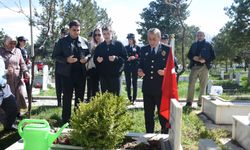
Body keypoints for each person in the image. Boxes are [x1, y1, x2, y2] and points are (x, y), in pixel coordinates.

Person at [54, 20, 90, 123]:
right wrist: (66, 60)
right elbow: (55, 56)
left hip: (81, 74)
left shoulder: (84, 41)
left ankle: (78, 118)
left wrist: (86, 59)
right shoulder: (61, 42)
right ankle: (65, 119)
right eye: (74, 30)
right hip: (67, 74)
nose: (76, 32)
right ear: (69, 29)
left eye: (78, 30)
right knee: (67, 97)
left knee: (80, 98)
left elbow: (89, 54)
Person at [138, 28, 170, 134]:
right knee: (148, 115)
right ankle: (149, 136)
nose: (151, 42)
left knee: (162, 115)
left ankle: (164, 135)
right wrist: (139, 70)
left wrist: (166, 72)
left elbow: (174, 68)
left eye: (154, 39)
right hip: (147, 89)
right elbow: (140, 64)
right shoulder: (143, 49)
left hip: (161, 89)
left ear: (159, 38)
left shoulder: (167, 49)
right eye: (149, 39)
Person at [0, 35, 30, 116]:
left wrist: (26, 71)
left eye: (14, 43)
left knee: (20, 94)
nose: (13, 45)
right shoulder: (1, 51)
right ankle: (6, 114)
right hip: (5, 79)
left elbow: (22, 63)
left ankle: (18, 111)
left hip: (17, 78)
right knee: (8, 97)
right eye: (10, 43)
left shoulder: (18, 51)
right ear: (5, 43)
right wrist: (5, 71)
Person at [94, 26, 127, 96]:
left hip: (115, 77)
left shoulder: (119, 45)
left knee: (116, 98)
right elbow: (95, 59)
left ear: (112, 33)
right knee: (105, 99)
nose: (106, 36)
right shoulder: (99, 47)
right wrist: (97, 60)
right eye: (104, 34)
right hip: (103, 78)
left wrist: (116, 58)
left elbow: (125, 59)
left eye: (108, 33)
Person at [186, 31, 215, 107]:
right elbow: (189, 55)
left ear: (204, 36)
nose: (199, 36)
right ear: (196, 36)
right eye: (198, 35)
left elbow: (213, 56)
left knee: (203, 85)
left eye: (201, 35)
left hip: (204, 67)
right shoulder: (194, 44)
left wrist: (205, 60)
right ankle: (189, 102)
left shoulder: (208, 45)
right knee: (191, 84)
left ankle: (200, 103)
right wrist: (193, 57)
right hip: (194, 66)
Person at [0, 55, 18, 131]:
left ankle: (8, 126)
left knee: (13, 107)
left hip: (3, 88)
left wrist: (7, 71)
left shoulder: (0, 57)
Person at [85, 28, 103, 102]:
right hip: (92, 68)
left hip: (102, 69)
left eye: (99, 34)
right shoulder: (91, 44)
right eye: (95, 35)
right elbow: (88, 55)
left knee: (101, 89)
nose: (97, 36)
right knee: (94, 88)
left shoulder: (105, 44)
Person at [52, 28, 68, 107]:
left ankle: (65, 102)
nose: (65, 35)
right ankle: (59, 102)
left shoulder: (69, 43)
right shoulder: (57, 43)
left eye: (66, 33)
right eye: (63, 33)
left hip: (68, 69)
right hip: (59, 68)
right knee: (58, 86)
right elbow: (54, 56)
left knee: (66, 87)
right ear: (61, 34)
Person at [124, 33, 140, 104]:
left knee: (134, 83)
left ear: (133, 39)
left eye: (131, 39)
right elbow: (123, 56)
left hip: (134, 67)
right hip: (127, 67)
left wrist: (134, 58)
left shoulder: (138, 47)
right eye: (128, 39)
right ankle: (129, 97)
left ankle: (134, 98)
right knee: (128, 83)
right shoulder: (125, 47)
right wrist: (127, 58)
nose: (129, 40)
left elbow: (140, 58)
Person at [16, 36, 31, 102]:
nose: (25, 42)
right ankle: (18, 99)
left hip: (25, 69)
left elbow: (26, 59)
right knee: (19, 85)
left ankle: (30, 98)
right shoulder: (16, 50)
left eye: (25, 41)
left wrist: (28, 61)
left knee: (28, 83)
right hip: (19, 70)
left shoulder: (24, 49)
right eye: (24, 41)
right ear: (20, 41)